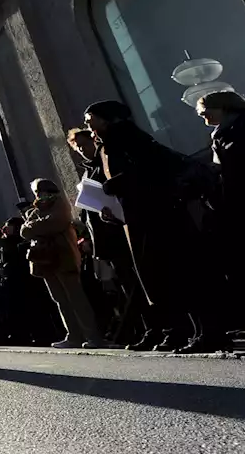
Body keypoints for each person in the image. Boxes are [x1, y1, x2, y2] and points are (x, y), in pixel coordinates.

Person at [86, 100, 230, 353]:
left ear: (107, 118)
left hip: (160, 217)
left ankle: (208, 332)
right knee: (162, 278)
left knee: (181, 273)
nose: (88, 124)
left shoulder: (129, 138)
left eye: (91, 118)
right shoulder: (108, 144)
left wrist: (116, 185)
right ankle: (180, 331)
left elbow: (151, 171)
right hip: (140, 218)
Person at [67, 128, 149, 347]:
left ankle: (148, 329)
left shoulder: (106, 164)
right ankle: (140, 330)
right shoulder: (87, 173)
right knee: (123, 285)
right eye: (78, 148)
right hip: (104, 237)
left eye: (85, 145)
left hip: (121, 231)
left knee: (136, 284)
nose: (83, 151)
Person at [198, 90, 245, 337]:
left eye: (205, 108)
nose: (202, 114)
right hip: (238, 207)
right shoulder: (221, 134)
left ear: (224, 107)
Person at [21, 179, 111, 349]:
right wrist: (39, 225)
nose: (39, 195)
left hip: (64, 257)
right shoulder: (36, 211)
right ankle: (73, 336)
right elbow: (24, 231)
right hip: (44, 260)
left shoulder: (60, 204)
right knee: (60, 299)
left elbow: (56, 223)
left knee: (76, 299)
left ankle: (93, 336)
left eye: (40, 191)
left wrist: (36, 226)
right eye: (37, 192)